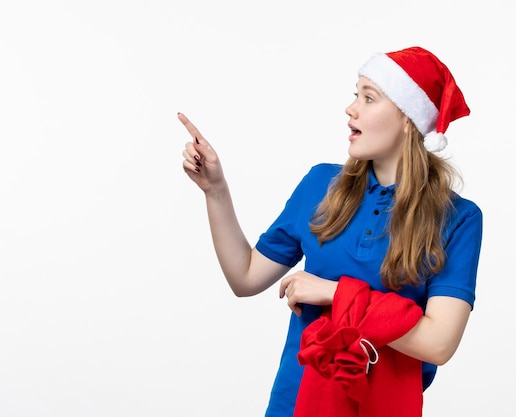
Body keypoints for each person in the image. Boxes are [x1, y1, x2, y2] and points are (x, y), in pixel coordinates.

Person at [179, 46, 482, 417]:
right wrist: (216, 192)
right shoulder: (321, 185)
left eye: (369, 98)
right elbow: (245, 277)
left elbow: (439, 343)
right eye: (356, 94)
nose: (351, 108)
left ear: (408, 119)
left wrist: (334, 294)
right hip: (295, 403)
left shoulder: (458, 218)